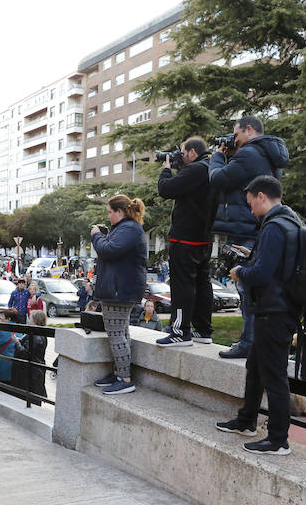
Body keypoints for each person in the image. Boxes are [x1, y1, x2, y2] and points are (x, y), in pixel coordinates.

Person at [215, 175, 299, 455]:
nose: (250, 210)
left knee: (274, 376)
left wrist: (240, 272)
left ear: (262, 196)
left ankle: (278, 440)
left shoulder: (275, 227)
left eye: (251, 203)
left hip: (273, 312)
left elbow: (262, 274)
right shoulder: (291, 222)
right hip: (276, 309)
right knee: (255, 368)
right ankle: (246, 420)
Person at [209, 115, 289, 359]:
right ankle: (251, 340)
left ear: (249, 129)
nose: (234, 139)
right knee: (251, 289)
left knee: (246, 289)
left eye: (236, 134)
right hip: (256, 226)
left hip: (244, 229)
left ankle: (248, 343)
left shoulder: (250, 154)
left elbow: (217, 179)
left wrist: (217, 156)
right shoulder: (267, 154)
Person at [156, 136, 216, 347]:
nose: (179, 156)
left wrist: (166, 168)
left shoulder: (196, 169)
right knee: (202, 282)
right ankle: (203, 329)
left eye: (182, 153)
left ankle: (180, 331)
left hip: (185, 237)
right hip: (204, 238)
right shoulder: (212, 167)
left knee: (183, 284)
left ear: (192, 152)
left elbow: (165, 189)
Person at [90, 194, 148, 395]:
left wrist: (96, 235)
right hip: (120, 289)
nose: (108, 216)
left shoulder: (130, 229)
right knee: (121, 333)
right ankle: (118, 373)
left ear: (119, 212)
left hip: (120, 290)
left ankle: (124, 378)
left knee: (116, 335)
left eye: (110, 212)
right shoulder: (126, 229)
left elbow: (108, 250)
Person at [12, 310, 47, 405]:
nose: (28, 320)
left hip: (31, 372)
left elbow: (25, 353)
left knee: (30, 397)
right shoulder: (40, 332)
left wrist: (17, 342)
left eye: (30, 318)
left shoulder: (36, 335)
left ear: (35, 320)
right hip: (34, 370)